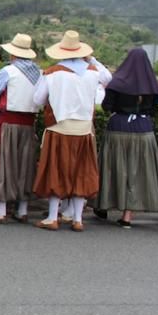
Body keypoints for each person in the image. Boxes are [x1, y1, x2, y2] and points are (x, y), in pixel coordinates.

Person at [31, 31, 111, 231]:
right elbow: (109, 78)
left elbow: (37, 100)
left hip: (59, 127)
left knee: (56, 170)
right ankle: (77, 219)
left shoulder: (52, 72)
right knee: (81, 172)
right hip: (84, 130)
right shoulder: (93, 72)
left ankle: (52, 217)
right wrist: (92, 59)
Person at [94, 48, 158, 228]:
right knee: (137, 171)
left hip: (118, 127)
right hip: (143, 130)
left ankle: (105, 204)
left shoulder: (118, 81)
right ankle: (127, 215)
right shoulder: (152, 84)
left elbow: (107, 106)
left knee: (113, 168)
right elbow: (152, 111)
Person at [0, 33, 42, 224]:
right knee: (25, 165)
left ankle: (0, 210)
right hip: (28, 123)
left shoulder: (9, 71)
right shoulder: (38, 73)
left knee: (4, 162)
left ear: (13, 54)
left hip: (7, 122)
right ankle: (22, 209)